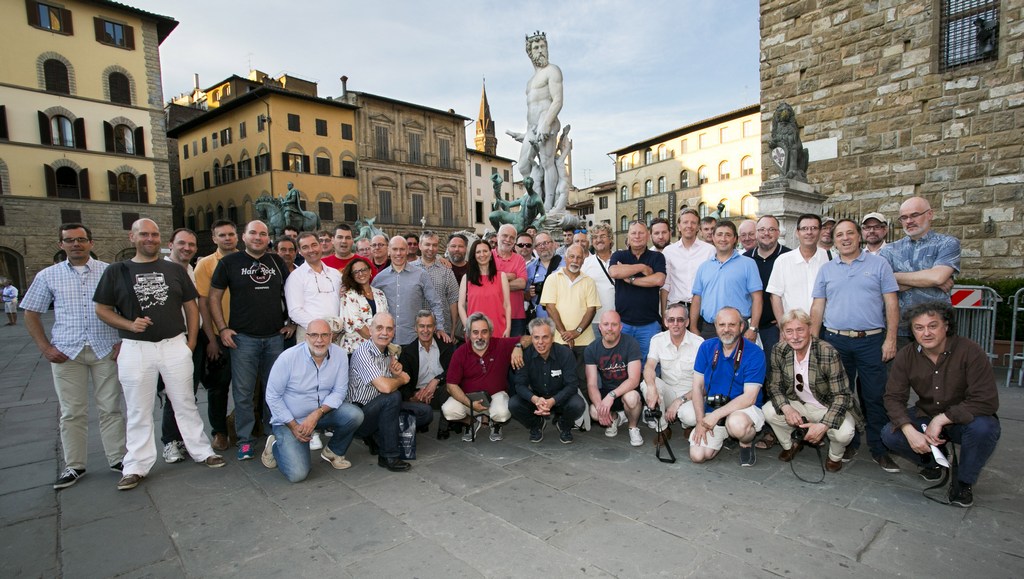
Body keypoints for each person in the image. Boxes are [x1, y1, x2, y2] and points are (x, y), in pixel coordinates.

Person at [94, 219, 224, 491]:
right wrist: (128, 324)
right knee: (138, 408)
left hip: (174, 345)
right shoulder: (117, 271)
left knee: (185, 401)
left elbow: (191, 307)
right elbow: (102, 309)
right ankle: (136, 465)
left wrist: (190, 342)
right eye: (144, 234)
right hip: (135, 347)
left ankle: (202, 450)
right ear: (132, 237)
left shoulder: (174, 270)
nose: (150, 239)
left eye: (154, 234)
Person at [22, 223, 126, 489]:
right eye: (69, 240)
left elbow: (126, 307)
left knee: (111, 408)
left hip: (105, 348)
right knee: (71, 412)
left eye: (81, 239)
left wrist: (123, 340)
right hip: (67, 353)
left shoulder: (109, 271)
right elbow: (31, 312)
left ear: (91, 242)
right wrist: (45, 347)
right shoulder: (48, 275)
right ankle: (75, 465)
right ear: (61, 245)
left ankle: (118, 459)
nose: (76, 244)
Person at [881, 302, 1000, 508]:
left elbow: (986, 399)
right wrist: (909, 430)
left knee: (985, 428)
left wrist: (942, 419)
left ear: (946, 326)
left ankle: (964, 481)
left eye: (932, 326)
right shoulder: (906, 355)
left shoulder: (970, 351)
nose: (926, 333)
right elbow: (893, 397)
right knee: (890, 434)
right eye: (919, 328)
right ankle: (934, 461)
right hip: (927, 414)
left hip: (965, 419)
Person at [810, 219, 901, 472]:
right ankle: (849, 442)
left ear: (859, 236)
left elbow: (892, 303)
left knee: (875, 396)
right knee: (841, 395)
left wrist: (891, 339)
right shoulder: (826, 269)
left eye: (850, 233)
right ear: (834, 240)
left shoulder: (879, 264)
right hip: (836, 341)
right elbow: (818, 306)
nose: (845, 238)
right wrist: (814, 341)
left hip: (871, 341)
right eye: (839, 235)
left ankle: (879, 448)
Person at [208, 220, 295, 461]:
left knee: (274, 390)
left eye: (263, 234)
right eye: (253, 233)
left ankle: (272, 433)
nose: (258, 237)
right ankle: (245, 440)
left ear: (268, 238)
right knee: (243, 392)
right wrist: (222, 328)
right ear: (243, 237)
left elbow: (291, 294)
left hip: (274, 338)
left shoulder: (276, 262)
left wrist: (291, 322)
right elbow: (213, 298)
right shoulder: (229, 263)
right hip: (243, 339)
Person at [261, 319, 365, 482]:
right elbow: (272, 396)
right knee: (298, 474)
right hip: (290, 420)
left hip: (322, 414)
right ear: (306, 337)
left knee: (354, 415)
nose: (319, 340)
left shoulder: (340, 355)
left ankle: (334, 451)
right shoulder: (288, 358)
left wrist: (317, 414)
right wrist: (293, 426)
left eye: (324, 335)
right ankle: (275, 445)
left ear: (331, 336)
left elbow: (339, 391)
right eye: (314, 335)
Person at [763, 309, 860, 471]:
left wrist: (823, 426)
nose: (795, 336)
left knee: (844, 433)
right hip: (799, 402)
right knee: (769, 411)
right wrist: (787, 409)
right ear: (783, 333)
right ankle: (791, 445)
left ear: (809, 329)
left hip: (827, 405)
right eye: (789, 331)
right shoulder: (779, 350)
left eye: (800, 330)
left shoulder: (827, 352)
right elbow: (774, 386)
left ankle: (835, 456)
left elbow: (842, 396)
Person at [688, 307, 767, 466]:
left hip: (744, 409)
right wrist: (700, 421)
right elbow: (697, 387)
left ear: (741, 326)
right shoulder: (706, 347)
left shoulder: (755, 353)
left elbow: (749, 397)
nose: (726, 329)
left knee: (737, 425)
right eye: (722, 325)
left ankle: (745, 442)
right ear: (715, 326)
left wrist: (715, 416)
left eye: (732, 325)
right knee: (698, 455)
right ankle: (725, 434)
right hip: (714, 407)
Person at [881, 197, 960, 344]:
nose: (909, 221)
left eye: (914, 215)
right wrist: (929, 279)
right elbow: (881, 283)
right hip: (900, 330)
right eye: (904, 217)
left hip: (936, 328)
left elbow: (937, 277)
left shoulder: (947, 244)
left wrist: (893, 276)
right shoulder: (889, 250)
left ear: (930, 214)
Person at [158, 228, 205, 464]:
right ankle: (170, 441)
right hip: (171, 339)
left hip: (193, 337)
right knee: (173, 393)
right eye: (182, 243)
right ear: (170, 245)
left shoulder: (191, 270)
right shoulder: (161, 271)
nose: (187, 248)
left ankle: (184, 438)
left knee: (188, 393)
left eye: (191, 245)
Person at [444, 312, 524, 442]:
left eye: (484, 332)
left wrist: (518, 346)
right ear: (468, 334)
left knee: (502, 414)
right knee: (448, 411)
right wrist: (470, 403)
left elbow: (528, 338)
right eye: (475, 332)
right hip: (468, 399)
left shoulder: (500, 344)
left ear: (490, 333)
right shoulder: (460, 353)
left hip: (495, 397)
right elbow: (451, 385)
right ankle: (471, 422)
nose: (480, 337)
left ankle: (495, 423)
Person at [347, 313, 413, 472]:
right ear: (370, 330)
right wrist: (401, 379)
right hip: (359, 416)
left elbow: (392, 384)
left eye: (389, 329)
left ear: (394, 332)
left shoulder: (390, 352)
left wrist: (396, 375)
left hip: (379, 408)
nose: (385, 333)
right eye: (379, 328)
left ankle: (376, 436)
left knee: (424, 413)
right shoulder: (363, 353)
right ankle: (388, 455)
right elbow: (386, 388)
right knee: (393, 397)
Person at [193, 219, 237, 451]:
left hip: (246, 334)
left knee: (250, 387)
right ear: (214, 238)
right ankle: (219, 431)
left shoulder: (246, 260)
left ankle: (240, 426)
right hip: (219, 335)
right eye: (222, 235)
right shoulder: (206, 264)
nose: (227, 238)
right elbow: (203, 302)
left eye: (231, 234)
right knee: (219, 386)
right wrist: (211, 338)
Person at [509, 318, 585, 443]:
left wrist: (553, 400)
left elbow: (572, 385)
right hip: (536, 398)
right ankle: (536, 425)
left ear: (553, 338)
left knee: (578, 404)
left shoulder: (565, 353)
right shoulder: (525, 355)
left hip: (560, 398)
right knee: (514, 404)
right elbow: (519, 385)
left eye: (545, 337)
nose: (540, 342)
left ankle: (564, 425)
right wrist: (535, 399)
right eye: (536, 337)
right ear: (531, 338)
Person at [690, 221, 763, 343]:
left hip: (739, 329)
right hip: (709, 329)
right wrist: (693, 327)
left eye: (728, 235)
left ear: (735, 239)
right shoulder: (704, 267)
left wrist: (753, 328)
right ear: (713, 238)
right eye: (719, 235)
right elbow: (697, 299)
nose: (723, 239)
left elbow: (757, 298)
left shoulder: (748, 264)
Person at [516, 31, 564, 210]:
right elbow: (531, 109)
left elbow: (557, 100)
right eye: (536, 47)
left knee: (547, 162)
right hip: (532, 128)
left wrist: (546, 123)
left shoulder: (552, 70)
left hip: (547, 121)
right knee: (523, 166)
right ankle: (534, 198)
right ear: (530, 53)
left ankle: (548, 204)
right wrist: (525, 134)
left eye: (543, 46)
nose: (541, 50)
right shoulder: (530, 82)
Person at [372, 236, 449, 346]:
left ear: (407, 250)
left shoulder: (421, 275)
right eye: (395, 249)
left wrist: (440, 327)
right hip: (387, 341)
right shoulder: (380, 278)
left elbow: (436, 303)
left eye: (402, 249)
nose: (398, 253)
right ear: (389, 251)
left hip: (413, 340)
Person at [540, 244, 600, 385]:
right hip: (559, 340)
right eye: (572, 256)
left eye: (579, 257)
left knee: (585, 381)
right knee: (559, 381)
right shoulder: (552, 279)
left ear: (583, 260)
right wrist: (564, 334)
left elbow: (591, 309)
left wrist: (577, 332)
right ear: (565, 259)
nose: (575, 260)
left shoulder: (589, 281)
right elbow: (550, 308)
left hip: (585, 341)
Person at [608, 221, 666, 364]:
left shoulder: (657, 257)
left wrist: (630, 279)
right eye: (633, 233)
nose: (637, 236)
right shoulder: (619, 255)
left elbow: (659, 280)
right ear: (628, 236)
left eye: (641, 233)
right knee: (621, 364)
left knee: (649, 365)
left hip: (649, 325)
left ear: (648, 236)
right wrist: (641, 267)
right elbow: (614, 272)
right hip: (623, 324)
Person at [642, 302, 704, 433]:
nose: (675, 324)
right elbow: (649, 367)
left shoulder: (699, 343)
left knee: (691, 417)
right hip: (668, 391)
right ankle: (663, 428)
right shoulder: (657, 340)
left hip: (690, 394)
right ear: (665, 322)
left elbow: (704, 385)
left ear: (687, 322)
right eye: (671, 320)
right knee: (646, 384)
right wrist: (652, 388)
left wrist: (679, 401)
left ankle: (687, 425)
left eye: (680, 320)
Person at [585, 311, 644, 446]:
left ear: (620, 327)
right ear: (600, 327)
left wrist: (611, 395)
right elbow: (592, 384)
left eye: (614, 324)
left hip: (627, 390)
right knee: (594, 411)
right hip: (607, 392)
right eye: (606, 324)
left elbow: (634, 379)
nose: (610, 328)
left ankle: (633, 427)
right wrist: (600, 407)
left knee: (631, 398)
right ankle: (615, 418)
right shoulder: (591, 349)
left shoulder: (631, 343)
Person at [398, 311, 455, 432]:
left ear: (434, 328)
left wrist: (437, 380)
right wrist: (413, 397)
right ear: (415, 328)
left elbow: (454, 369)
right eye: (421, 326)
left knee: (449, 387)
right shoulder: (407, 352)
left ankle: (444, 427)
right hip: (420, 394)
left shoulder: (445, 345)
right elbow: (403, 382)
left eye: (429, 326)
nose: (425, 330)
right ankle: (421, 422)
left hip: (440, 390)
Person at [766, 214, 829, 324]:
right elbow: (775, 296)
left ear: (820, 232)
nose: (809, 232)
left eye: (814, 228)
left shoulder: (828, 258)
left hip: (823, 324)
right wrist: (783, 326)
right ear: (797, 233)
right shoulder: (783, 261)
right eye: (804, 228)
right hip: (793, 326)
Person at [743, 215, 790, 357]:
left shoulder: (789, 257)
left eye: (771, 229)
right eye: (762, 229)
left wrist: (783, 321)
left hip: (775, 327)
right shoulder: (746, 258)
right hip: (748, 326)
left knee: (774, 366)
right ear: (756, 233)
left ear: (778, 232)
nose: (766, 233)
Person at [285, 232, 342, 341]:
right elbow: (295, 311)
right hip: (310, 334)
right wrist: (320, 330)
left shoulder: (335, 274)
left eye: (314, 245)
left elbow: (343, 302)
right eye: (305, 247)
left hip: (336, 333)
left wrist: (337, 327)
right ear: (299, 252)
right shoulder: (296, 277)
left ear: (320, 245)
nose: (311, 250)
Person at [661, 208, 715, 320]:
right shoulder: (669, 251)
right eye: (685, 222)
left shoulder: (709, 250)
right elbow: (666, 285)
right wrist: (663, 314)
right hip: (675, 310)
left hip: (702, 309)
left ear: (698, 227)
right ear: (679, 226)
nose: (689, 226)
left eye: (693, 222)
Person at [459, 239, 511, 338]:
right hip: (475, 333)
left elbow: (507, 305)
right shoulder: (467, 278)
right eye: (478, 252)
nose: (482, 254)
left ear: (491, 253)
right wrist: (468, 326)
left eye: (485, 251)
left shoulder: (502, 276)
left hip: (498, 329)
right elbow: (461, 305)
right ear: (474, 255)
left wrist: (508, 328)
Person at [411, 231, 460, 337]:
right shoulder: (410, 269)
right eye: (427, 244)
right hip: (415, 330)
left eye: (434, 245)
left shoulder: (446, 270)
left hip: (441, 329)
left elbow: (453, 300)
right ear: (420, 246)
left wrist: (453, 328)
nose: (431, 248)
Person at [336, 259, 388, 353]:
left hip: (379, 347)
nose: (360, 274)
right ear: (352, 276)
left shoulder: (379, 294)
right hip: (357, 349)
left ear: (370, 271)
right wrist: (380, 341)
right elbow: (358, 326)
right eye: (356, 272)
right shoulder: (349, 295)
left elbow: (385, 319)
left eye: (363, 270)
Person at [492, 224, 529, 336]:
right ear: (497, 236)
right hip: (492, 313)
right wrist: (509, 276)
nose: (508, 240)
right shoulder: (488, 256)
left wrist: (494, 281)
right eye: (505, 236)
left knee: (515, 346)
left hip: (516, 316)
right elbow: (483, 282)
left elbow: (522, 284)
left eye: (512, 238)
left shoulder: (519, 259)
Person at [580, 223, 615, 337]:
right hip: (594, 320)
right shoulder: (585, 263)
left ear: (610, 238)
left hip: (618, 319)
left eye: (603, 236)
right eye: (595, 237)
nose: (599, 240)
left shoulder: (620, 258)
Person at [525, 231, 561, 319]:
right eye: (538, 245)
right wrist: (529, 293)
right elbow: (525, 296)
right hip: (541, 319)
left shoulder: (565, 262)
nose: (542, 247)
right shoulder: (530, 268)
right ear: (535, 249)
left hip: (564, 316)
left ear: (553, 244)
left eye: (545, 243)